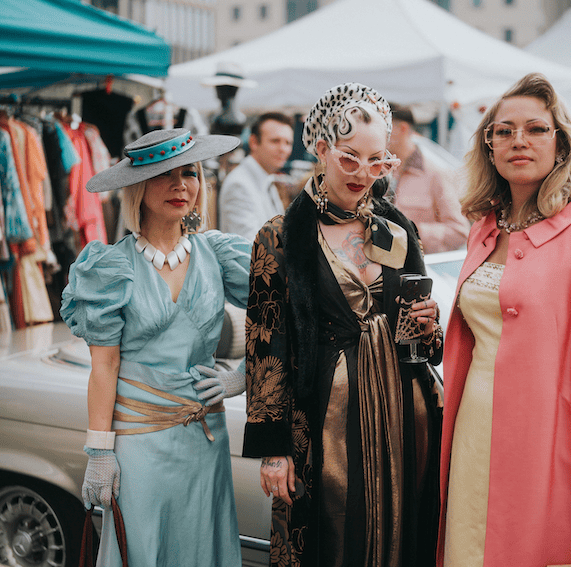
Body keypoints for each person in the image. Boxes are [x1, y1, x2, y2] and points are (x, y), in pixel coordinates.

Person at [438, 73, 571, 567]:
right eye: (504, 131)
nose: (519, 141)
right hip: (471, 428)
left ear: (561, 144)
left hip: (550, 444)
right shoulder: (482, 230)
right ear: (489, 145)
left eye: (536, 129)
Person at [243, 83, 444, 567]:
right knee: (333, 537)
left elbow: (420, 340)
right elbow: (265, 342)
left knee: (406, 535)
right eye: (350, 158)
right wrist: (274, 448)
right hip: (326, 419)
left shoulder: (398, 229)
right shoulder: (280, 236)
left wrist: (428, 327)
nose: (362, 174)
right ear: (321, 148)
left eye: (377, 162)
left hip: (404, 413)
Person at [60, 128, 250, 566]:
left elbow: (285, 309)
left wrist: (246, 375)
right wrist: (100, 451)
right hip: (139, 444)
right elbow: (104, 367)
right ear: (138, 188)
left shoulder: (219, 255)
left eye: (190, 173)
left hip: (206, 440)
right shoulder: (111, 267)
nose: (180, 185)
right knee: (145, 549)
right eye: (166, 175)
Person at [386, 103, 470, 253]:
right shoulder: (376, 170)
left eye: (384, 129)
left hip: (419, 264)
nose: (376, 135)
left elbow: (460, 232)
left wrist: (412, 232)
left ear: (403, 128)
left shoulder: (436, 173)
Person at [218, 112, 294, 240]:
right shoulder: (239, 185)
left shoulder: (267, 179)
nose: (283, 149)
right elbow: (250, 246)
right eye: (275, 141)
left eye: (288, 143)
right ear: (253, 142)